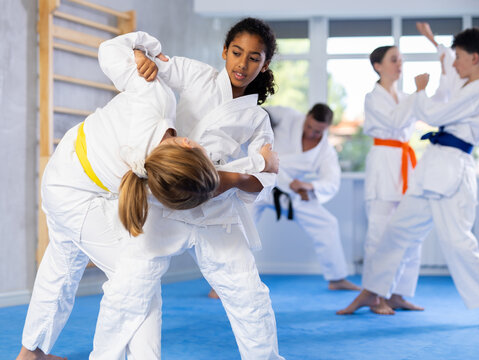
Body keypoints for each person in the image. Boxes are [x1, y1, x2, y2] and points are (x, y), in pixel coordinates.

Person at [16, 32, 221, 360]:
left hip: (66, 172)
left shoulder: (156, 99)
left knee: (63, 266)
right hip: (73, 192)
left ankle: (31, 353)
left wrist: (146, 49)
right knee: (138, 277)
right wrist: (144, 53)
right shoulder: (157, 179)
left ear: (186, 145)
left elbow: (109, 49)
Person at [89, 19, 285, 360]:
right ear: (224, 52)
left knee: (248, 294)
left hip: (215, 207)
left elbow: (267, 174)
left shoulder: (256, 118)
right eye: (237, 53)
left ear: (264, 64)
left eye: (254, 58)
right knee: (129, 288)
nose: (242, 64)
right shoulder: (196, 74)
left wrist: (239, 175)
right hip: (168, 196)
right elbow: (137, 57)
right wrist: (141, 57)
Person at [339, 23, 479, 329]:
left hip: (452, 173)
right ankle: (372, 291)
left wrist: (420, 91)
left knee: (459, 242)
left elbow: (438, 114)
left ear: (475, 59)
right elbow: (447, 83)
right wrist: (433, 42)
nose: (453, 63)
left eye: (458, 57)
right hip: (430, 171)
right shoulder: (467, 85)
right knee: (395, 233)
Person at [337, 46, 426, 315]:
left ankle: (398, 293)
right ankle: (375, 295)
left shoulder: (405, 96)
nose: (400, 64)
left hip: (405, 165)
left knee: (411, 233)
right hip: (384, 162)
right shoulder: (372, 97)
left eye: (401, 59)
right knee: (379, 234)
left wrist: (417, 96)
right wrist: (419, 94)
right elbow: (396, 121)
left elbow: (414, 119)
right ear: (378, 65)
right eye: (394, 59)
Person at [253, 104, 360, 292]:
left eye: (318, 131)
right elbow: (260, 112)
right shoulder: (288, 115)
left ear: (327, 128)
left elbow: (331, 181)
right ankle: (223, 284)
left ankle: (337, 278)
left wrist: (309, 186)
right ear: (307, 117)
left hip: (293, 192)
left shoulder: (325, 150)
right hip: (260, 180)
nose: (311, 133)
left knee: (327, 223)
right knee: (243, 224)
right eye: (309, 127)